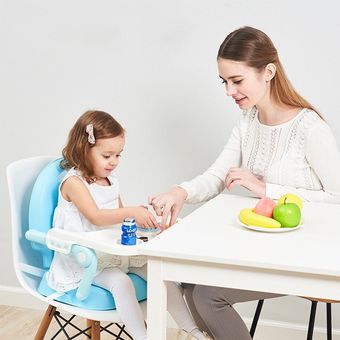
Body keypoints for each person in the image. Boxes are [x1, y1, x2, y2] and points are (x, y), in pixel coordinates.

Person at [149, 26, 340, 340]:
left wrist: (267, 191)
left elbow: (337, 197)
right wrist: (179, 191)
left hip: (308, 254)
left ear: (268, 72)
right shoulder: (248, 122)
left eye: (237, 80)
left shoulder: (310, 127)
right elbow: (217, 176)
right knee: (189, 281)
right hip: (260, 247)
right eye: (224, 82)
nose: (229, 91)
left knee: (209, 297)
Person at [46, 110, 212, 340]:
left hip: (109, 251)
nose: (113, 162)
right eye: (107, 156)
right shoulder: (74, 182)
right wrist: (130, 212)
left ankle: (193, 331)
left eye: (118, 155)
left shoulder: (110, 180)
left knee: (161, 274)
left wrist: (147, 219)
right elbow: (96, 216)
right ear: (84, 149)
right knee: (121, 282)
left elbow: (118, 216)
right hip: (84, 258)